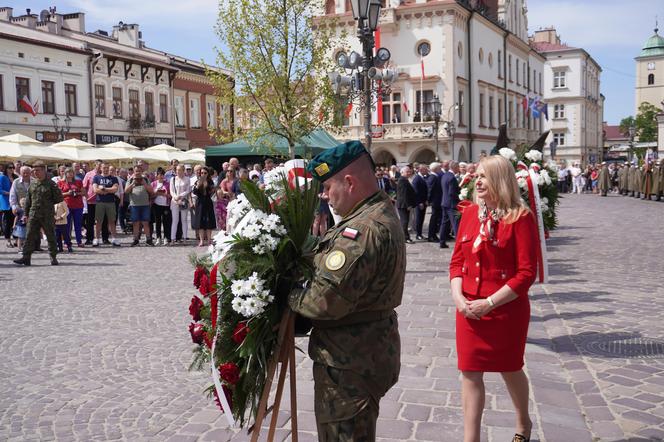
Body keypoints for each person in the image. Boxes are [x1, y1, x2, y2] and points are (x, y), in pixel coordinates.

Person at [288, 140, 405, 441]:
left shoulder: (360, 231)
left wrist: (284, 294)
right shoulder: (376, 211)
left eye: (327, 187)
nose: (324, 196)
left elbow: (322, 303)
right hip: (365, 350)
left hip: (350, 361)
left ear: (350, 182)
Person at [449, 155, 538, 442]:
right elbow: (456, 263)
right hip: (469, 310)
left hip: (505, 310)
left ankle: (523, 424)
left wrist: (489, 303)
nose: (478, 180)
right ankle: (470, 439)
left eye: (485, 176)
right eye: (477, 175)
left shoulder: (520, 218)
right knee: (470, 373)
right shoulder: (470, 214)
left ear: (500, 180)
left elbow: (526, 274)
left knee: (510, 368)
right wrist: (459, 299)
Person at [14, 161, 64, 266]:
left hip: (47, 214)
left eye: (37, 170)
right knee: (29, 236)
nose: (35, 173)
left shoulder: (51, 184)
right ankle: (26, 257)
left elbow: (59, 198)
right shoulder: (33, 184)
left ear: (43, 170)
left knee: (50, 235)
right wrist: (26, 214)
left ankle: (53, 257)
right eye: (34, 170)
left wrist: (47, 204)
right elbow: (28, 200)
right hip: (34, 213)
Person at [92, 163, 121, 247]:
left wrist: (104, 189)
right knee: (98, 221)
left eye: (107, 168)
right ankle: (96, 239)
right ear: (101, 168)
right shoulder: (96, 177)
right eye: (104, 167)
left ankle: (114, 239)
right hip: (100, 202)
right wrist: (108, 190)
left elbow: (115, 189)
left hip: (111, 202)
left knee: (112, 221)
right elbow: (95, 190)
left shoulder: (114, 178)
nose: (106, 169)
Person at [125, 165, 155, 247]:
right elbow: (126, 191)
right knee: (135, 223)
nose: (137, 172)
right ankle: (136, 239)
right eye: (136, 171)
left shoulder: (145, 179)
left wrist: (144, 184)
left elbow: (151, 191)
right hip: (134, 205)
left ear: (141, 171)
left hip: (145, 204)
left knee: (146, 222)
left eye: (139, 171)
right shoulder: (131, 179)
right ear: (134, 172)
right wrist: (132, 184)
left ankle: (148, 239)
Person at [57, 168, 85, 247]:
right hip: (66, 206)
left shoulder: (78, 182)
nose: (70, 174)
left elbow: (83, 192)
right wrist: (67, 193)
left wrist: (77, 193)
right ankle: (67, 241)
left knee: (78, 224)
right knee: (67, 225)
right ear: (65, 174)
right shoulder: (60, 183)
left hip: (78, 206)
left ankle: (79, 241)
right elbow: (59, 194)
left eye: (71, 172)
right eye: (68, 172)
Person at [192, 166, 216, 247]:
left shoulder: (210, 182)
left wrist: (207, 187)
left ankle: (209, 240)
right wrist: (198, 186)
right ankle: (201, 241)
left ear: (208, 173)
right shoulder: (197, 181)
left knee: (209, 221)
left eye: (205, 173)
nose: (203, 174)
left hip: (208, 202)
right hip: (200, 203)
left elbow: (212, 192)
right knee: (200, 222)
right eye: (201, 173)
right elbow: (194, 192)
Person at [440, 161, 461, 249]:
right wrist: (460, 199)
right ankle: (458, 245)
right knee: (455, 224)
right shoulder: (452, 177)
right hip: (452, 204)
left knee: (444, 223)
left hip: (445, 202)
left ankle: (442, 242)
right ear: (455, 167)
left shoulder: (445, 175)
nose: (459, 169)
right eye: (458, 167)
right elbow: (452, 193)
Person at [170, 164, 192, 243]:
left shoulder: (187, 179)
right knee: (175, 220)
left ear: (183, 170)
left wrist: (180, 196)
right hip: (174, 201)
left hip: (183, 201)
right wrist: (175, 197)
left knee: (184, 220)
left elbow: (188, 190)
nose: (178, 172)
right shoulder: (173, 179)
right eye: (177, 170)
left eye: (180, 170)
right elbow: (171, 190)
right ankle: (173, 238)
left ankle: (185, 238)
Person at [395, 165, 417, 243]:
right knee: (404, 221)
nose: (409, 173)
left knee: (405, 221)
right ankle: (404, 238)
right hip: (403, 205)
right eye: (407, 172)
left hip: (404, 204)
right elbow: (404, 194)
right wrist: (408, 205)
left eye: (409, 171)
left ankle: (406, 237)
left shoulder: (404, 179)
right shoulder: (402, 180)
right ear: (402, 172)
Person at [151, 168, 172, 245]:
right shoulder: (153, 184)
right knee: (157, 222)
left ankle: (166, 238)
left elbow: (170, 196)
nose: (160, 176)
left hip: (166, 205)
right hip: (156, 205)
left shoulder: (168, 184)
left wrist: (164, 194)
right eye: (159, 174)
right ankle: (158, 237)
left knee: (166, 222)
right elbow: (151, 195)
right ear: (156, 175)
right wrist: (156, 193)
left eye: (162, 174)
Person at [411, 164, 429, 240]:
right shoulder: (417, 179)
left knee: (421, 218)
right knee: (419, 218)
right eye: (426, 169)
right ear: (421, 170)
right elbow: (416, 192)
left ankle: (420, 233)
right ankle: (418, 234)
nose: (427, 171)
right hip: (419, 203)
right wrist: (419, 202)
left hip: (423, 202)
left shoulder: (422, 178)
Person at [427, 162, 443, 242]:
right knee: (434, 219)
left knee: (435, 219)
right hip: (435, 202)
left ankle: (433, 235)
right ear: (436, 169)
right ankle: (431, 235)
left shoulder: (435, 176)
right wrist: (429, 200)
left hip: (437, 201)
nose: (440, 170)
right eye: (439, 168)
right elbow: (430, 190)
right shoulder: (433, 177)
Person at [1, 164, 14, 247]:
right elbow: (0, 189)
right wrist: (9, 193)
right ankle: (8, 240)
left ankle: (16, 239)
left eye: (13, 168)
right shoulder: (2, 177)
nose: (12, 169)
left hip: (14, 201)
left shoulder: (15, 177)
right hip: (6, 201)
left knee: (14, 221)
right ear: (6, 169)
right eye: (10, 167)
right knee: (7, 222)